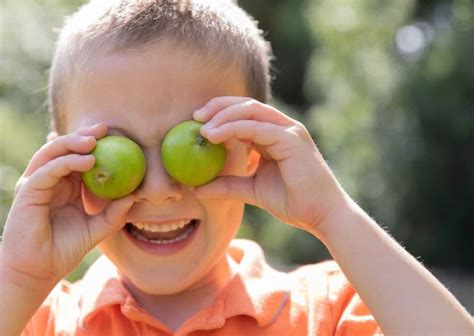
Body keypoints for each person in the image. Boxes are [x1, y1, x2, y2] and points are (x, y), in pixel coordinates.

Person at [0, 0, 472, 335]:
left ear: (252, 150)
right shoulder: (37, 319)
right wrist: (19, 278)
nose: (159, 190)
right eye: (115, 147)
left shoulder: (326, 312)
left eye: (195, 144)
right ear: (65, 164)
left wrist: (334, 216)